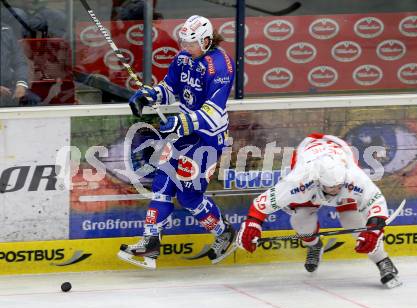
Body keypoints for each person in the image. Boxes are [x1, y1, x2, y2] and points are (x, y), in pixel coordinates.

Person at [118, 15, 236, 269]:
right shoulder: (183, 58)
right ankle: (151, 240)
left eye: (190, 43)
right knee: (162, 182)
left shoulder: (221, 64)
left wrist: (182, 123)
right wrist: (150, 94)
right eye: (182, 42)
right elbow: (170, 87)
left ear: (206, 40)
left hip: (206, 139)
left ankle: (224, 232)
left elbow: (214, 110)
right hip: (183, 134)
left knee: (190, 196)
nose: (185, 47)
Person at [236, 132, 402, 289]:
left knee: (352, 219)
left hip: (341, 152)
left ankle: (383, 260)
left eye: (339, 186)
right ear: (319, 181)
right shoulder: (300, 180)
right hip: (307, 160)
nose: (336, 190)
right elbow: (261, 204)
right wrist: (252, 224)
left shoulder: (352, 176)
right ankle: (314, 245)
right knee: (301, 220)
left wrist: (373, 230)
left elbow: (376, 201)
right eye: (332, 187)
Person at [0, 22, 40, 107]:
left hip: (8, 89)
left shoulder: (6, 31)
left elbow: (20, 62)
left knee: (34, 101)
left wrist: (21, 84)